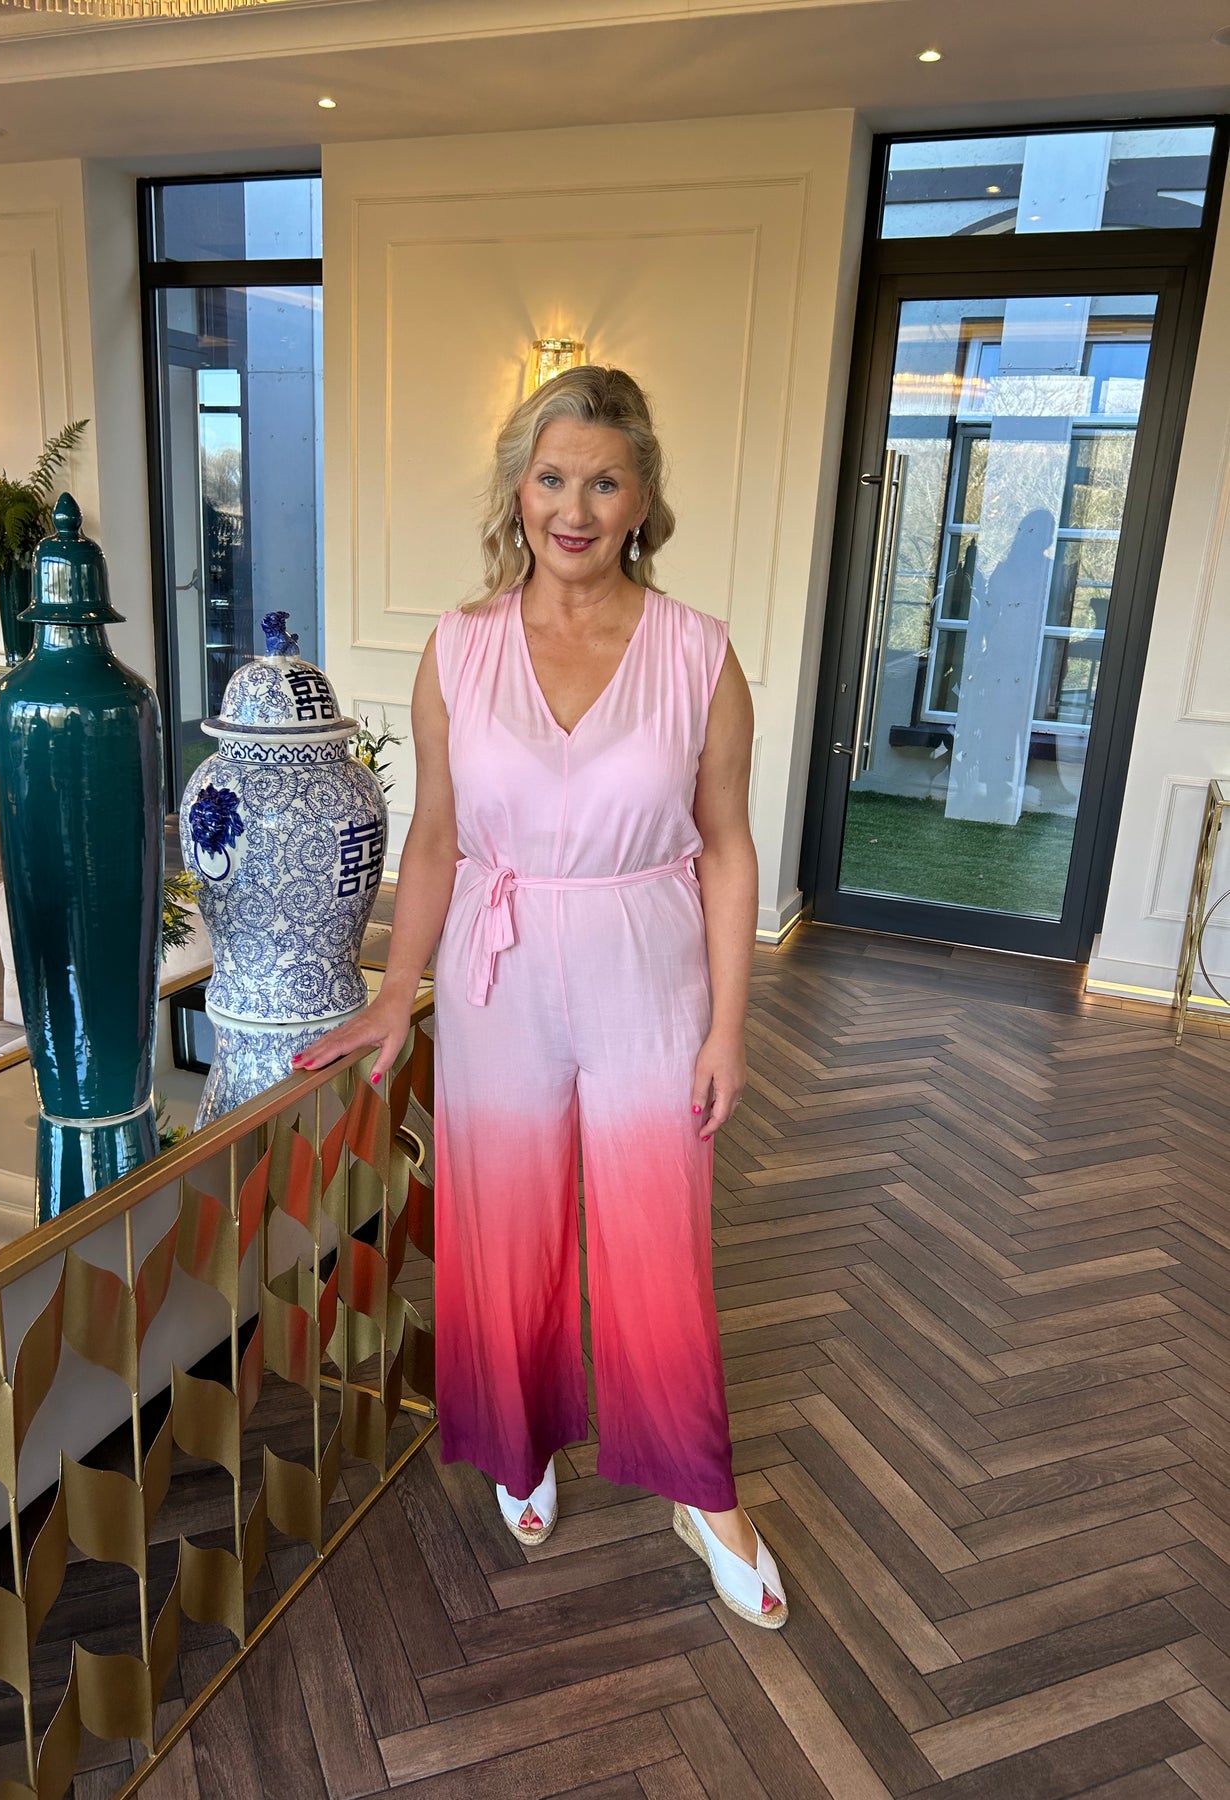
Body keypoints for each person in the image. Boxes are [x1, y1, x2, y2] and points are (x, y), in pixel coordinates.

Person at [294, 366, 786, 1627]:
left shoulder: (699, 653)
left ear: (642, 500)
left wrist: (729, 1026)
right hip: (497, 967)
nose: (575, 508)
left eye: (603, 482)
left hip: (647, 960)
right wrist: (394, 994)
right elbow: (435, 838)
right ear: (519, 490)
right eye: (553, 477)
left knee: (658, 1234)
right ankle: (519, 1439)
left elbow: (727, 845)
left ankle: (701, 1490)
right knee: (501, 1221)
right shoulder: (459, 647)